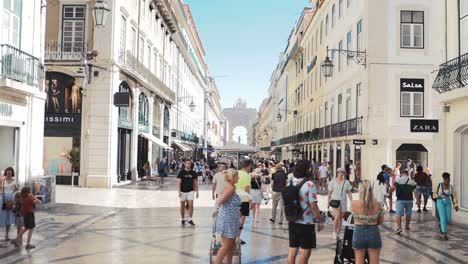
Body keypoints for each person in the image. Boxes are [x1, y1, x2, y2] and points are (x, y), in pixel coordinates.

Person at [287, 160, 323, 264]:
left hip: (293, 220)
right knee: (305, 253)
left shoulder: (292, 181)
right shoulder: (309, 184)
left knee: (292, 251)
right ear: (308, 170)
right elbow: (313, 205)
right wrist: (319, 220)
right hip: (306, 223)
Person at [351, 180, 385, 264]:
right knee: (374, 262)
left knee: (359, 261)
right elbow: (380, 222)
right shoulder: (378, 204)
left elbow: (352, 220)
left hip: (358, 233)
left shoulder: (353, 203)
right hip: (373, 232)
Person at [214, 169, 241, 264]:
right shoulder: (230, 188)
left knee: (232, 245)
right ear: (232, 177)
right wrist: (219, 204)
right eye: (237, 176)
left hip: (231, 220)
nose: (239, 178)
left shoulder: (231, 186)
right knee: (226, 246)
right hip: (227, 220)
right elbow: (219, 201)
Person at [328, 168, 353, 239]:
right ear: (337, 173)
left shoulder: (346, 182)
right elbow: (329, 193)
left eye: (342, 172)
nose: (341, 174)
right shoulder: (332, 182)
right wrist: (328, 202)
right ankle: (334, 232)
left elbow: (349, 192)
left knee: (341, 218)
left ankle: (338, 232)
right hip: (335, 201)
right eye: (339, 172)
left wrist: (351, 201)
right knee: (337, 217)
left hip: (343, 201)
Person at [433, 173, 459, 240]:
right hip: (440, 202)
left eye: (449, 180)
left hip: (448, 202)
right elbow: (434, 195)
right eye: (447, 180)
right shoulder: (439, 185)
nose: (448, 181)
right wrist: (439, 196)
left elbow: (453, 196)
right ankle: (444, 233)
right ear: (444, 179)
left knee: (448, 219)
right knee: (443, 217)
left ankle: (441, 225)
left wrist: (455, 205)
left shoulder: (451, 187)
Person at [235, 159, 253, 245]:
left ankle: (232, 236)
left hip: (234, 199)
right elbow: (246, 189)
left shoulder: (236, 173)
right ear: (248, 166)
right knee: (241, 220)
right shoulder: (247, 175)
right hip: (243, 200)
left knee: (234, 219)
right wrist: (250, 201)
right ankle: (237, 238)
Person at [392, 170, 416, 234]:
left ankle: (399, 228)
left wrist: (390, 192)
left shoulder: (398, 180)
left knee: (398, 214)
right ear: (408, 174)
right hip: (409, 200)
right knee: (408, 213)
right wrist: (418, 200)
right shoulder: (412, 181)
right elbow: (415, 192)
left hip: (400, 199)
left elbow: (393, 187)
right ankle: (407, 226)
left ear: (402, 174)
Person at [0, 167, 20, 241]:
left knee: (9, 217)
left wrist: (13, 193)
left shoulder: (14, 181)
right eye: (7, 171)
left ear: (12, 173)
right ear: (5, 172)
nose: (8, 173)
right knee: (1, 216)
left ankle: (6, 235)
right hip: (3, 199)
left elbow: (18, 188)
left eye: (10, 171)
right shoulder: (2, 180)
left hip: (11, 199)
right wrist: (1, 193)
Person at [177, 159, 198, 226]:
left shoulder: (193, 173)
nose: (188, 164)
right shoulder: (181, 172)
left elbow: (195, 183)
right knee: (182, 206)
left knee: (191, 205)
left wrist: (197, 191)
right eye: (187, 163)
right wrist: (179, 191)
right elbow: (178, 183)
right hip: (183, 191)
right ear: (185, 164)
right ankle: (182, 219)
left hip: (190, 191)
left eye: (189, 163)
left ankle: (190, 219)